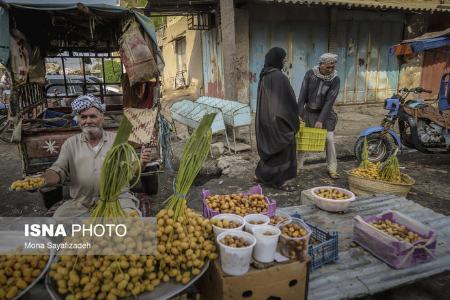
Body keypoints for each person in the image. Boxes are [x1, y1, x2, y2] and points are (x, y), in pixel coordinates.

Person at [42, 94, 152, 217]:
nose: (88, 121)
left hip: (117, 199)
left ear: (102, 118)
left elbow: (131, 170)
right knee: (58, 221)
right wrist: (42, 180)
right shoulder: (70, 144)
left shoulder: (117, 141)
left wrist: (142, 162)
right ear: (78, 120)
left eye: (93, 116)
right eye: (83, 117)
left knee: (131, 223)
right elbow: (59, 169)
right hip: (82, 203)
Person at [254, 47, 300, 191]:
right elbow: (288, 102)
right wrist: (293, 121)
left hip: (266, 119)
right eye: (284, 59)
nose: (285, 62)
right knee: (284, 149)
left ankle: (261, 175)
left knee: (271, 148)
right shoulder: (279, 77)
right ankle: (279, 181)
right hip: (279, 120)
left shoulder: (265, 75)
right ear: (277, 60)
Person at [298, 53, 340, 179]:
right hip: (308, 112)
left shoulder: (335, 79)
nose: (331, 69)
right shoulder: (310, 74)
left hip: (326, 115)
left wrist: (321, 120)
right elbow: (302, 96)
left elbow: (329, 101)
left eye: (333, 67)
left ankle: (332, 168)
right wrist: (299, 114)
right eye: (328, 67)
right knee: (302, 141)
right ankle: (298, 167)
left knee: (329, 140)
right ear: (321, 65)